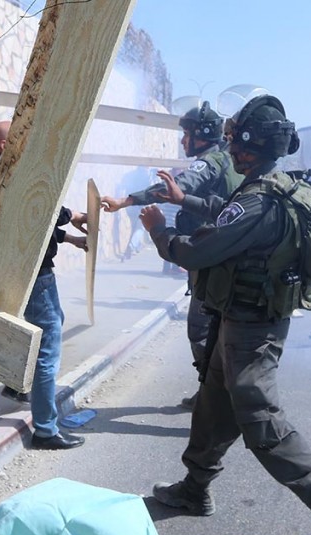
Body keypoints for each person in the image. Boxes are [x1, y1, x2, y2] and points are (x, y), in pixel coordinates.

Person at [138, 95, 311, 535]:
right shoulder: (273, 186)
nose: (228, 147)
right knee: (213, 405)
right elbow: (227, 212)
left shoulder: (259, 199)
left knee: (261, 424)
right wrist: (185, 199)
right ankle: (193, 488)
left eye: (233, 140)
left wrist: (158, 231)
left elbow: (198, 252)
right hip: (242, 321)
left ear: (246, 145)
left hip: (251, 330)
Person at [102, 102, 243, 409]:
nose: (183, 141)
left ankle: (220, 400)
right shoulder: (230, 159)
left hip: (210, 257)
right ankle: (214, 393)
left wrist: (126, 200)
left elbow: (175, 188)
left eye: (187, 134)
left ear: (202, 134)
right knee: (218, 331)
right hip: (224, 255)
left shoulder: (209, 162)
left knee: (201, 330)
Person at [0, 120, 88, 450]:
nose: (28, 140)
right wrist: (72, 218)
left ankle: (17, 386)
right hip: (33, 271)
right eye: (19, 136)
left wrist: (68, 234)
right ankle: (45, 428)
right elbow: (40, 210)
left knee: (42, 329)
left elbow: (34, 223)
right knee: (48, 346)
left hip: (22, 267)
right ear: (2, 145)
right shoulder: (10, 173)